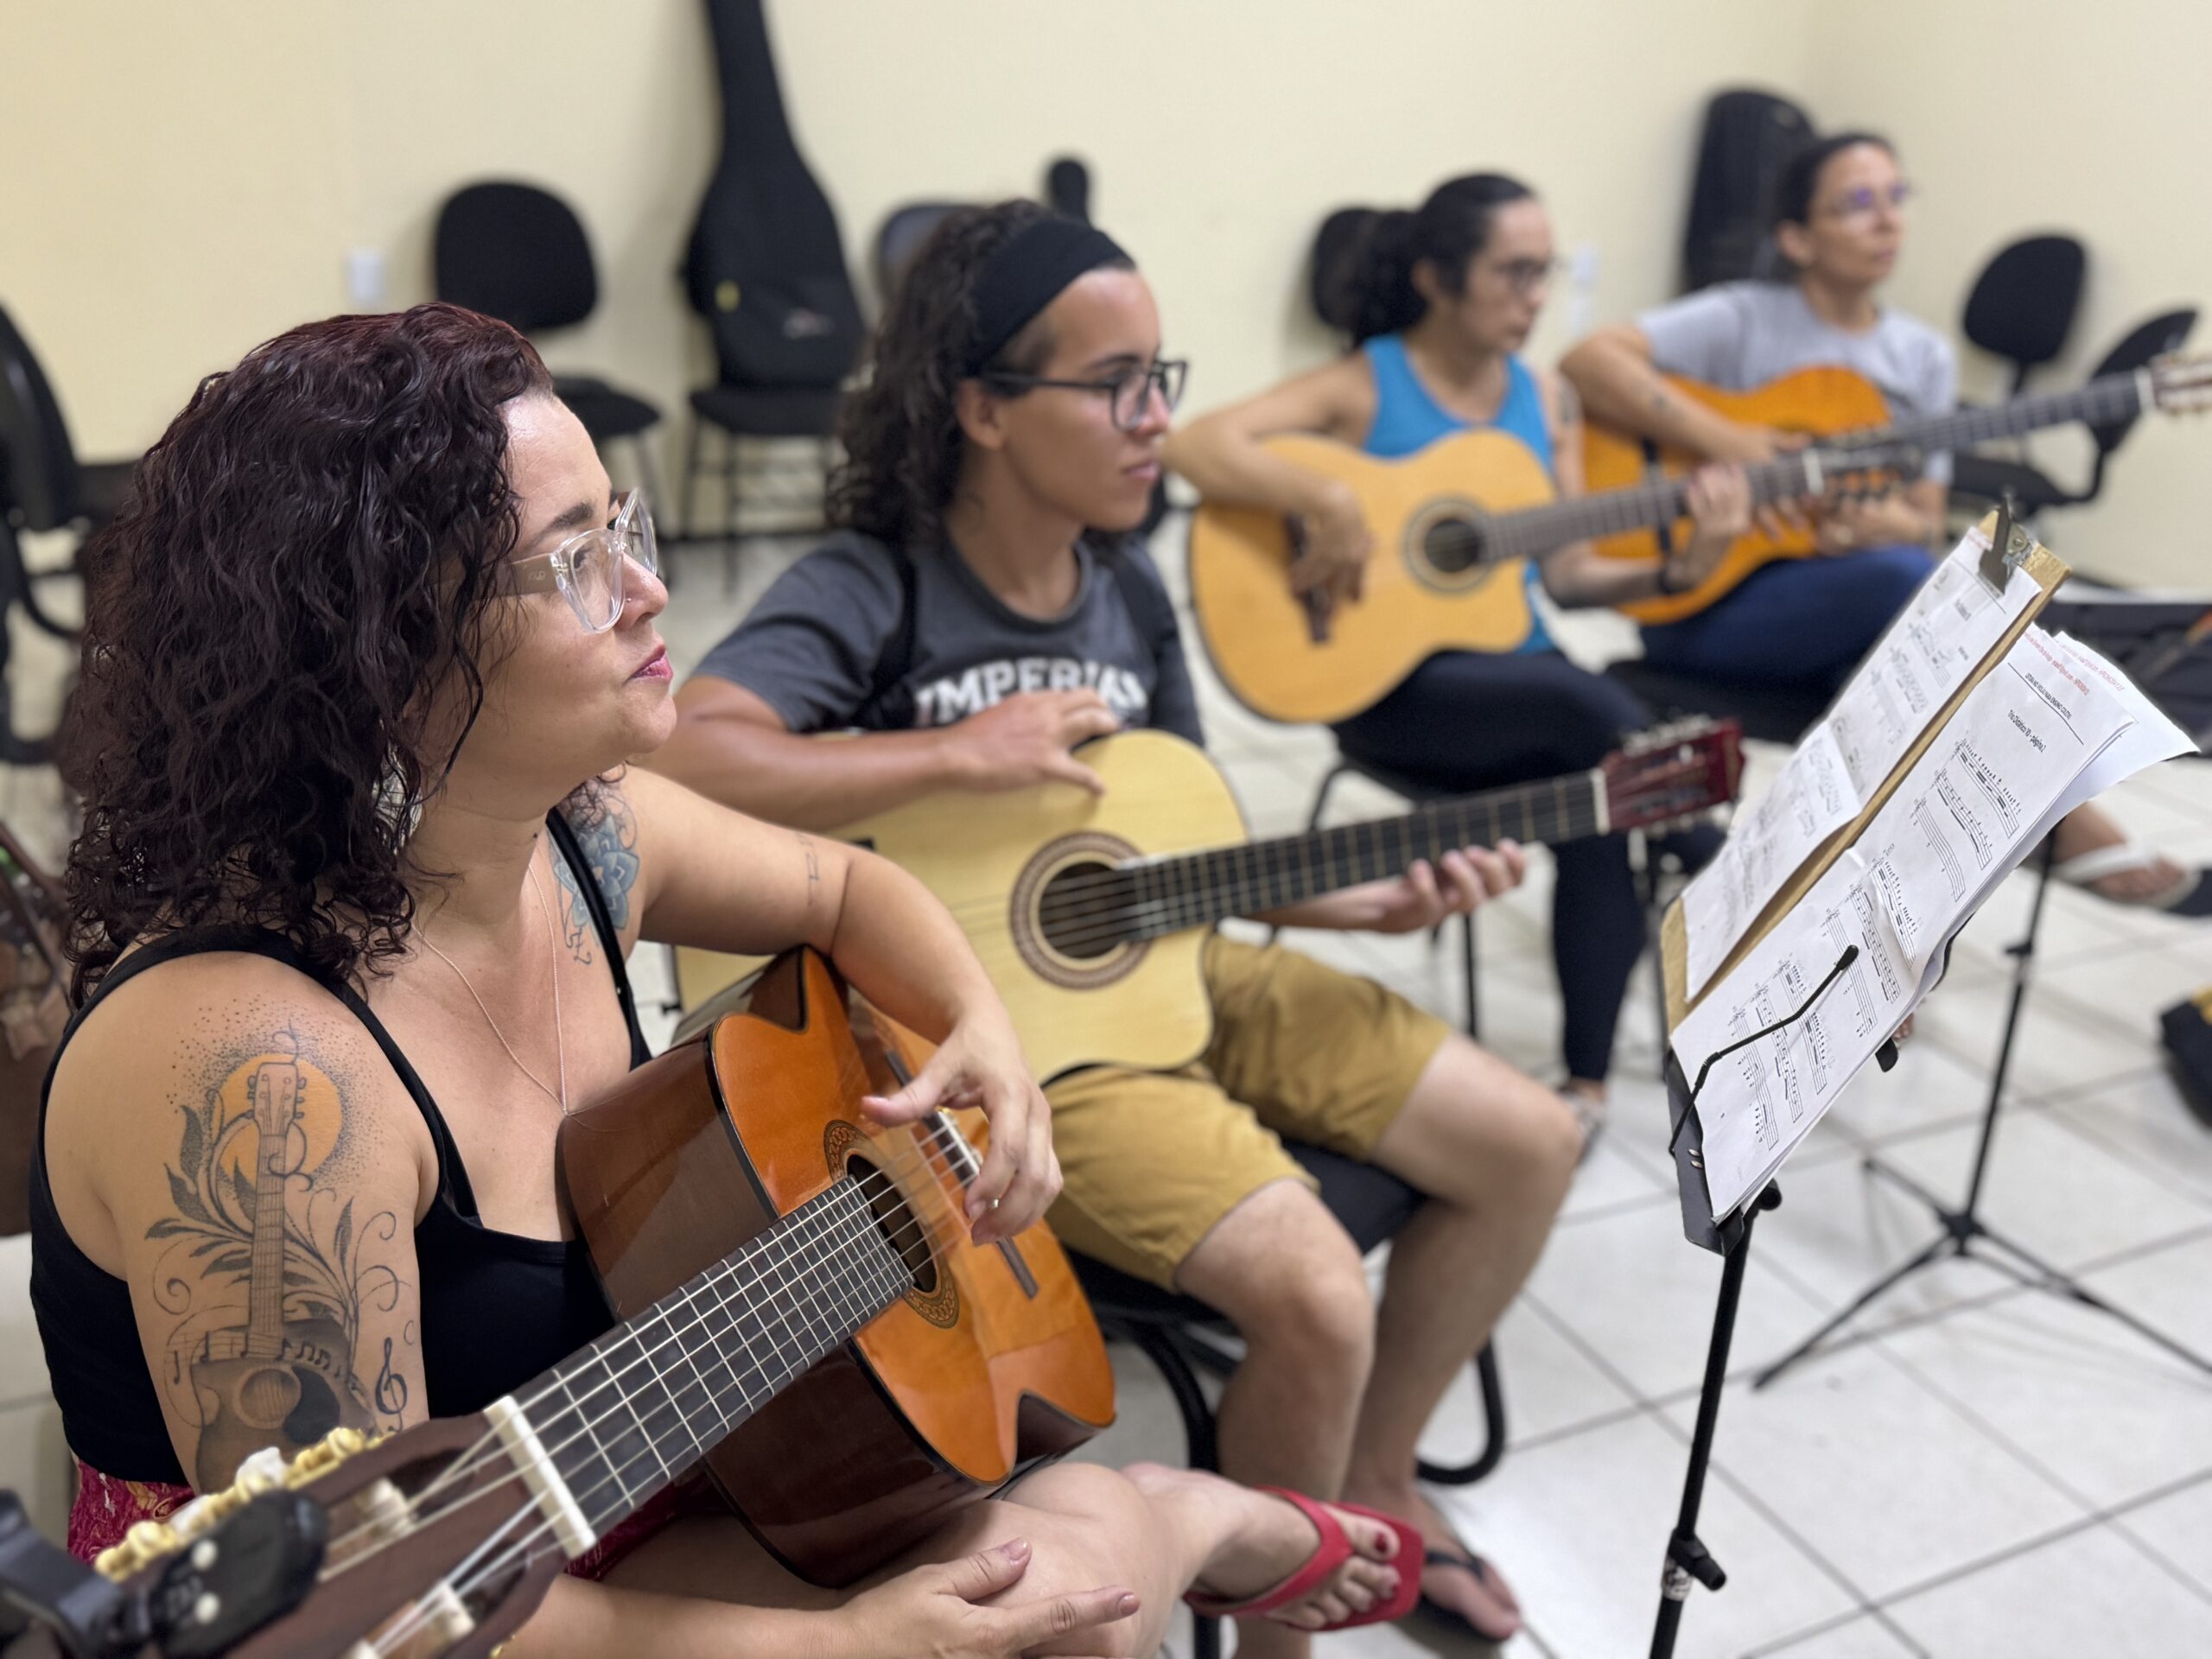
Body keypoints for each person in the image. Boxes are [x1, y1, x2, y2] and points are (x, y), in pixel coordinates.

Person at [30, 303, 1425, 1659]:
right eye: (576, 559)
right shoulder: (260, 1081)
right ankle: (1190, 1524)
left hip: (607, 1478)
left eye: (621, 526)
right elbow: (381, 1612)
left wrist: (983, 1037)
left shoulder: (582, 830)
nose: (652, 587)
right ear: (386, 649)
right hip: (415, 1615)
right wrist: (845, 1644)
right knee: (1067, 1586)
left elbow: (849, 887)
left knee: (1055, 1593)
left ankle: (1166, 1522)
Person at [647, 204, 1580, 1647]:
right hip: (1017, 1047)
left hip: (1176, 956)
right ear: (984, 410)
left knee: (1531, 1140)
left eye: (1166, 378)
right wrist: (953, 754)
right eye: (1117, 383)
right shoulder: (874, 584)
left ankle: (1384, 1478)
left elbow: (1176, 840)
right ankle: (1287, 1622)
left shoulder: (1131, 584)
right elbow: (682, 755)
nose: (1158, 422)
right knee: (1318, 1295)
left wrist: (1362, 896)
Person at [1163, 173, 1753, 1126]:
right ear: (1438, 277)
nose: (1533, 298)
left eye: (1543, 273)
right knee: (1592, 714)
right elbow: (1194, 443)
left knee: (1596, 787)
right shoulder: (1368, 380)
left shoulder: (1547, 396)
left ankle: (1585, 1087)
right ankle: (1738, 872)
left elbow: (1567, 576)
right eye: (1511, 273)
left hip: (1520, 684)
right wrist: (1323, 497)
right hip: (1394, 692)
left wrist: (1684, 567)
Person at [1562, 132, 2210, 915]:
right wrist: (1737, 448)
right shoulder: (1741, 317)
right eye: (1856, 204)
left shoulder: (1921, 357)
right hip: (1702, 600)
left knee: (1944, 610)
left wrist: (1863, 526)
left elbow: (1920, 523)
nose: (1886, 222)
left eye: (1895, 199)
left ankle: (1855, 917)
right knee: (1915, 597)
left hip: (1845, 604)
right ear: (1797, 237)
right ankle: (2056, 817)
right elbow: (1589, 360)